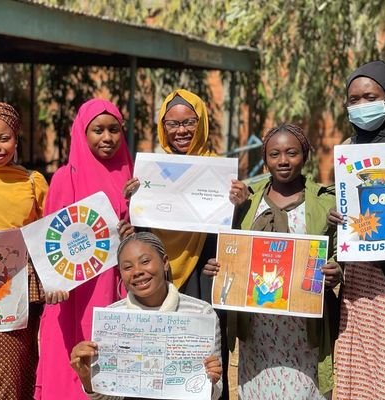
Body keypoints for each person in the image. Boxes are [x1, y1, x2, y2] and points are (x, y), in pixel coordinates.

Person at [123, 89, 246, 399]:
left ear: (202, 123)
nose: (181, 131)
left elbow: (236, 236)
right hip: (158, 277)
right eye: (172, 124)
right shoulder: (150, 173)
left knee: (206, 358)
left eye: (189, 122)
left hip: (204, 276)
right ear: (162, 127)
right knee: (158, 356)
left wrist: (239, 205)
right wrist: (133, 202)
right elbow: (141, 230)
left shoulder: (220, 173)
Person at [204, 124, 342, 399]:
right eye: (274, 154)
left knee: (303, 389)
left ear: (305, 155)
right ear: (264, 159)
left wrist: (335, 270)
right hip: (258, 324)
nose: (283, 161)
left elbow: (337, 252)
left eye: (291, 153)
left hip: (304, 327)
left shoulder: (325, 202)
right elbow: (230, 246)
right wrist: (218, 268)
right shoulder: (246, 198)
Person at [35, 99, 134, 399]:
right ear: (81, 132)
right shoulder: (67, 177)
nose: (107, 138)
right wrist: (52, 284)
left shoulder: (132, 177)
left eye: (114, 130)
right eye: (98, 130)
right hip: (73, 295)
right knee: (69, 372)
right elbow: (51, 239)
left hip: (115, 291)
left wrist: (132, 232)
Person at [70, 231, 222, 400]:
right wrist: (87, 379)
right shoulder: (112, 319)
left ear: (165, 263)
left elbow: (214, 394)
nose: (137, 271)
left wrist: (211, 381)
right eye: (128, 267)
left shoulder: (201, 313)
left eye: (145, 261)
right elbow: (110, 397)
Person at [327, 60, 385, 400]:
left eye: (371, 96)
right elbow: (354, 208)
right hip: (360, 277)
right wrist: (339, 214)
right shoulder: (349, 152)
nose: (362, 106)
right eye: (354, 99)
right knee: (361, 364)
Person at [0, 102, 48, 399]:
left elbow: (49, 236)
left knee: (10, 370)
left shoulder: (32, 183)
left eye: (4, 138)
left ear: (16, 139)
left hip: (13, 295)